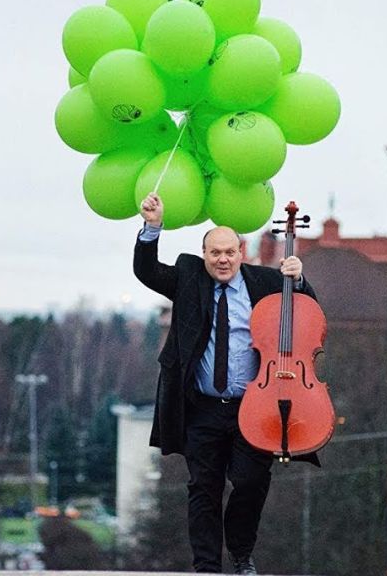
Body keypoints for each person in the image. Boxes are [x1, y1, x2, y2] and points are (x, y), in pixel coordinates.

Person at [133, 192, 320, 575]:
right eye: (215, 253)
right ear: (204, 255)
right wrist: (153, 227)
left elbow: (308, 309)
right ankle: (206, 566)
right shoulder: (188, 278)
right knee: (204, 487)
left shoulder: (266, 282)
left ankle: (241, 554)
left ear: (241, 252)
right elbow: (147, 272)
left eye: (229, 252)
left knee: (251, 482)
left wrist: (298, 279)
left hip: (254, 406)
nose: (222, 260)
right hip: (200, 406)